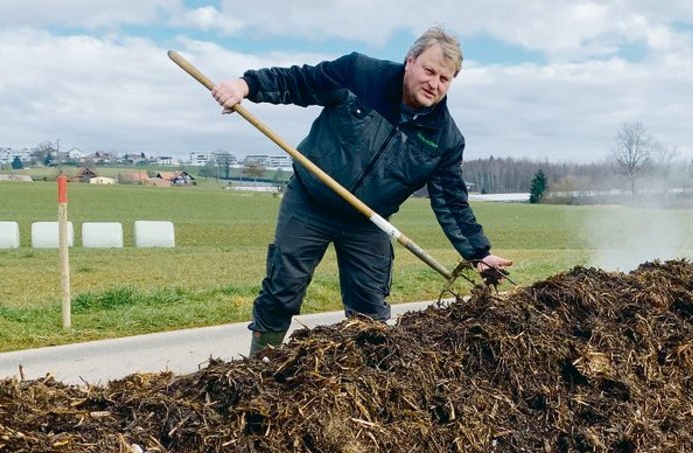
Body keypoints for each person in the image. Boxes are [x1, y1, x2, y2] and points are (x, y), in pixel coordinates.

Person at [210, 25, 514, 356]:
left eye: (445, 79)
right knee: (284, 287)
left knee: (370, 310)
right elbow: (299, 82)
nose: (434, 84)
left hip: (369, 222)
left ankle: (368, 385)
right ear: (409, 61)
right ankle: (261, 366)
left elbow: (452, 202)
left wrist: (478, 253)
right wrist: (246, 85)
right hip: (311, 201)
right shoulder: (359, 74)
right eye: (429, 71)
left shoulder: (445, 139)